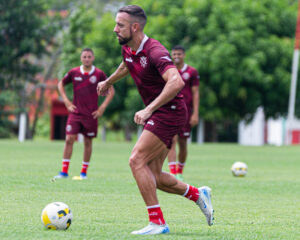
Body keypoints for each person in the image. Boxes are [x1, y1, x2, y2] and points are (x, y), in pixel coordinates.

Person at [97, 5, 213, 235]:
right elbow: (126, 65)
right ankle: (198, 194)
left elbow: (176, 81)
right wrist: (109, 81)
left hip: (169, 111)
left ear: (135, 27)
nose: (115, 29)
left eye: (120, 25)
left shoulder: (155, 51)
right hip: (163, 111)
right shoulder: (129, 48)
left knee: (136, 160)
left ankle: (158, 223)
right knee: (155, 177)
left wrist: (148, 109)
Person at [53, 48, 115, 180]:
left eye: (89, 57)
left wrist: (102, 107)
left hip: (91, 115)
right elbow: (60, 84)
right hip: (75, 113)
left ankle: (83, 172)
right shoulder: (74, 72)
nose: (87, 59)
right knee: (69, 139)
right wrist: (66, 101)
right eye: (84, 57)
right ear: (81, 58)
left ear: (93, 58)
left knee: (88, 142)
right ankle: (64, 171)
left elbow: (111, 90)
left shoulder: (99, 74)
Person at [167, 45, 200, 181]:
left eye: (179, 54)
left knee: (183, 142)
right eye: (174, 54)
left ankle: (180, 171)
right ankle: (173, 173)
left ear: (184, 55)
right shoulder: (168, 71)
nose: (176, 57)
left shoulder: (191, 72)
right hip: (171, 110)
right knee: (171, 141)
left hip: (186, 112)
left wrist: (195, 113)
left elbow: (195, 93)